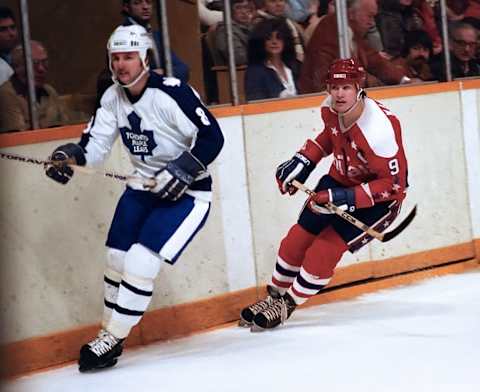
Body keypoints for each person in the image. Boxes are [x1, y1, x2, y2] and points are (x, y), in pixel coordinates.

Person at [44, 24, 224, 371]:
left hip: (187, 194)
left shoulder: (172, 92)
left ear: (144, 57)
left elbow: (212, 137)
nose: (121, 64)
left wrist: (183, 168)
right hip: (141, 189)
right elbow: (94, 145)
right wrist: (71, 156)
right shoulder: (112, 96)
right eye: (116, 58)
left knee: (142, 262)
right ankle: (107, 332)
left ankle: (113, 337)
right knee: (116, 257)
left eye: (128, 56)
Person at [240, 58, 408, 331]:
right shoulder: (330, 108)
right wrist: (303, 160)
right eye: (334, 87)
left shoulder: (379, 130)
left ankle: (288, 303)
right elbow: (329, 137)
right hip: (337, 182)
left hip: (377, 201)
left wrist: (346, 198)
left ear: (358, 87)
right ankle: (274, 297)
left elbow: (394, 185)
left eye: (346, 87)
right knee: (294, 242)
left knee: (323, 250)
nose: (339, 94)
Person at [298, 0, 411, 93]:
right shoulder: (329, 33)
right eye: (369, 16)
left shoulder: (353, 30)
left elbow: (375, 60)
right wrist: (363, 78)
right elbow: (323, 81)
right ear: (351, 14)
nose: (372, 23)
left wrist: (404, 80)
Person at [0, 41, 69, 132]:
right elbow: (19, 138)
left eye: (44, 62)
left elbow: (66, 126)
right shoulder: (7, 94)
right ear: (16, 67)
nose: (41, 69)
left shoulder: (49, 91)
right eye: (34, 63)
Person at [121, 0, 189, 82]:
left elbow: (183, 69)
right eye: (137, 3)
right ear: (126, 7)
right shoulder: (121, 36)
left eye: (149, 2)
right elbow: (129, 75)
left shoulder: (156, 35)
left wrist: (163, 72)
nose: (145, 7)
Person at [245, 18, 300, 100]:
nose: (274, 42)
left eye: (279, 37)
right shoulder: (254, 72)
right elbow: (256, 102)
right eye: (269, 38)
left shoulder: (296, 66)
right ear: (260, 42)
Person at [214, 0, 255, 66]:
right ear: (230, 11)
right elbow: (238, 58)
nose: (244, 12)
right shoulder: (225, 30)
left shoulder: (252, 27)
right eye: (238, 8)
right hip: (238, 72)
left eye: (246, 7)